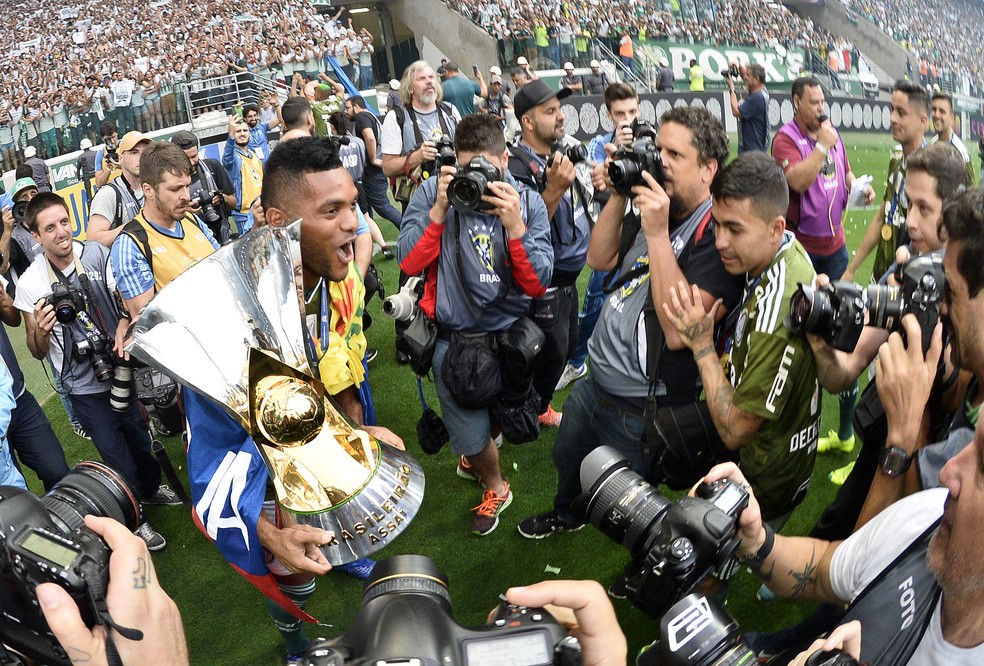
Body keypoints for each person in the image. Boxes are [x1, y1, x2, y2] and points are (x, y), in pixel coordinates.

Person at [518, 106, 742, 539]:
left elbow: (680, 334)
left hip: (640, 404)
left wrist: (657, 234)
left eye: (674, 155)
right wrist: (621, 192)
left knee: (630, 502)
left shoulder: (716, 235)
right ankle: (566, 515)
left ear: (708, 170)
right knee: (569, 459)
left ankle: (645, 559)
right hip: (594, 383)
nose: (659, 162)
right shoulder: (654, 203)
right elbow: (598, 259)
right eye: (657, 150)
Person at [705, 407, 984, 666]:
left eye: (983, 467)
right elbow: (821, 570)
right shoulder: (929, 514)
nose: (947, 473)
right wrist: (756, 541)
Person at [398, 113, 552, 535]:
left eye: (487, 168)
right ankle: (496, 484)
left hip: (510, 337)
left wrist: (515, 227)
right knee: (468, 428)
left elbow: (538, 283)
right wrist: (438, 211)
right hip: (456, 340)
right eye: (469, 170)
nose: (479, 181)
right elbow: (408, 262)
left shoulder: (526, 200)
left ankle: (479, 456)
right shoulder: (434, 191)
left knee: (504, 416)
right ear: (454, 163)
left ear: (505, 159)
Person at [664, 151, 820, 532]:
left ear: (774, 227)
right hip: (780, 451)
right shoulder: (785, 250)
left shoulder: (776, 313)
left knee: (710, 560)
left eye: (734, 229)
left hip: (765, 473)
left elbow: (734, 430)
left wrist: (701, 345)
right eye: (717, 225)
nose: (720, 242)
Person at [16, 193, 181, 550]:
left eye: (64, 222)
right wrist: (42, 331)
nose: (61, 232)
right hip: (81, 384)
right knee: (114, 452)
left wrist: (123, 322)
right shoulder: (31, 282)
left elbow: (125, 300)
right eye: (50, 228)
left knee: (138, 435)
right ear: (35, 237)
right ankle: (135, 519)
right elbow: (35, 349)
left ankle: (151, 488)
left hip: (119, 363)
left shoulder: (95, 253)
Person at [772, 76, 875, 458]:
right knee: (799, 339)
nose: (820, 107)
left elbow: (843, 173)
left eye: (822, 100)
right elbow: (797, 181)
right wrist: (820, 146)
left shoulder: (831, 135)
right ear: (796, 102)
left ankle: (846, 431)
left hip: (836, 251)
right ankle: (792, 424)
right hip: (802, 254)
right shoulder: (786, 139)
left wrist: (858, 186)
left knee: (842, 333)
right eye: (813, 102)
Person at [507, 80, 593, 428]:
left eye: (559, 109)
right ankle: (518, 412)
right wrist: (555, 189)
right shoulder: (515, 167)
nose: (560, 117)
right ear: (528, 122)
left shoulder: (558, 153)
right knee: (545, 352)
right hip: (546, 281)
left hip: (570, 277)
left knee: (565, 347)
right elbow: (521, 232)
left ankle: (539, 406)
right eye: (550, 111)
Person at [844, 81, 930, 283]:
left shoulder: (931, 170)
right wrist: (852, 268)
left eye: (901, 113)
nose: (892, 118)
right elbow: (882, 215)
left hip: (907, 277)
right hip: (882, 268)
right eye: (892, 110)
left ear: (922, 121)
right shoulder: (896, 160)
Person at [344, 96, 403, 230]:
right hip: (373, 171)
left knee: (382, 207)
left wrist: (372, 159)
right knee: (365, 208)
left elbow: (369, 138)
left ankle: (408, 229)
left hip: (372, 172)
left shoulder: (362, 118)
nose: (346, 112)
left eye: (348, 108)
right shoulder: (371, 116)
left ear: (356, 106)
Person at [169, 130, 237, 244]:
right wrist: (186, 211)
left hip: (223, 235)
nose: (191, 162)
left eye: (194, 156)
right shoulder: (170, 180)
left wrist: (222, 198)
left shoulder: (213, 167)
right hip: (193, 241)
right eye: (185, 158)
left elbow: (233, 203)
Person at [86, 131, 152, 247]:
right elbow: (93, 241)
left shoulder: (156, 186)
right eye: (134, 153)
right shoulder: (108, 194)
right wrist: (136, 226)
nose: (141, 158)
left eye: (146, 152)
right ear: (121, 158)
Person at [222, 115, 264, 235]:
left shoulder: (253, 155)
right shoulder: (235, 158)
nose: (242, 134)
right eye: (238, 131)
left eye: (245, 130)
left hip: (260, 209)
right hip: (244, 215)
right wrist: (230, 137)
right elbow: (227, 159)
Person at [929, 92, 974, 183]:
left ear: (951, 119)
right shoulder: (932, 144)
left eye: (942, 111)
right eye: (934, 110)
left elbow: (970, 191)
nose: (937, 115)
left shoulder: (960, 153)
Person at [727, 62, 770, 154]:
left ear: (756, 79)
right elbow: (746, 78)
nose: (745, 77)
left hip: (752, 150)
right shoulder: (762, 91)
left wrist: (731, 89)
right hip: (756, 148)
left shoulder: (757, 98)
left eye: (748, 75)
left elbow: (736, 111)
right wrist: (738, 65)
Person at [94, 122, 122, 189]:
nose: (112, 141)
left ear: (117, 134)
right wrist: (109, 168)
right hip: (112, 189)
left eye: (113, 137)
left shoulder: (125, 146)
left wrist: (120, 166)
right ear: (103, 139)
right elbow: (98, 183)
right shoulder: (100, 154)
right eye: (108, 139)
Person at [76, 138, 97, 202]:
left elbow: (78, 170)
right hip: (97, 175)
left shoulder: (80, 157)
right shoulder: (95, 153)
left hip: (88, 179)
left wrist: (79, 178)